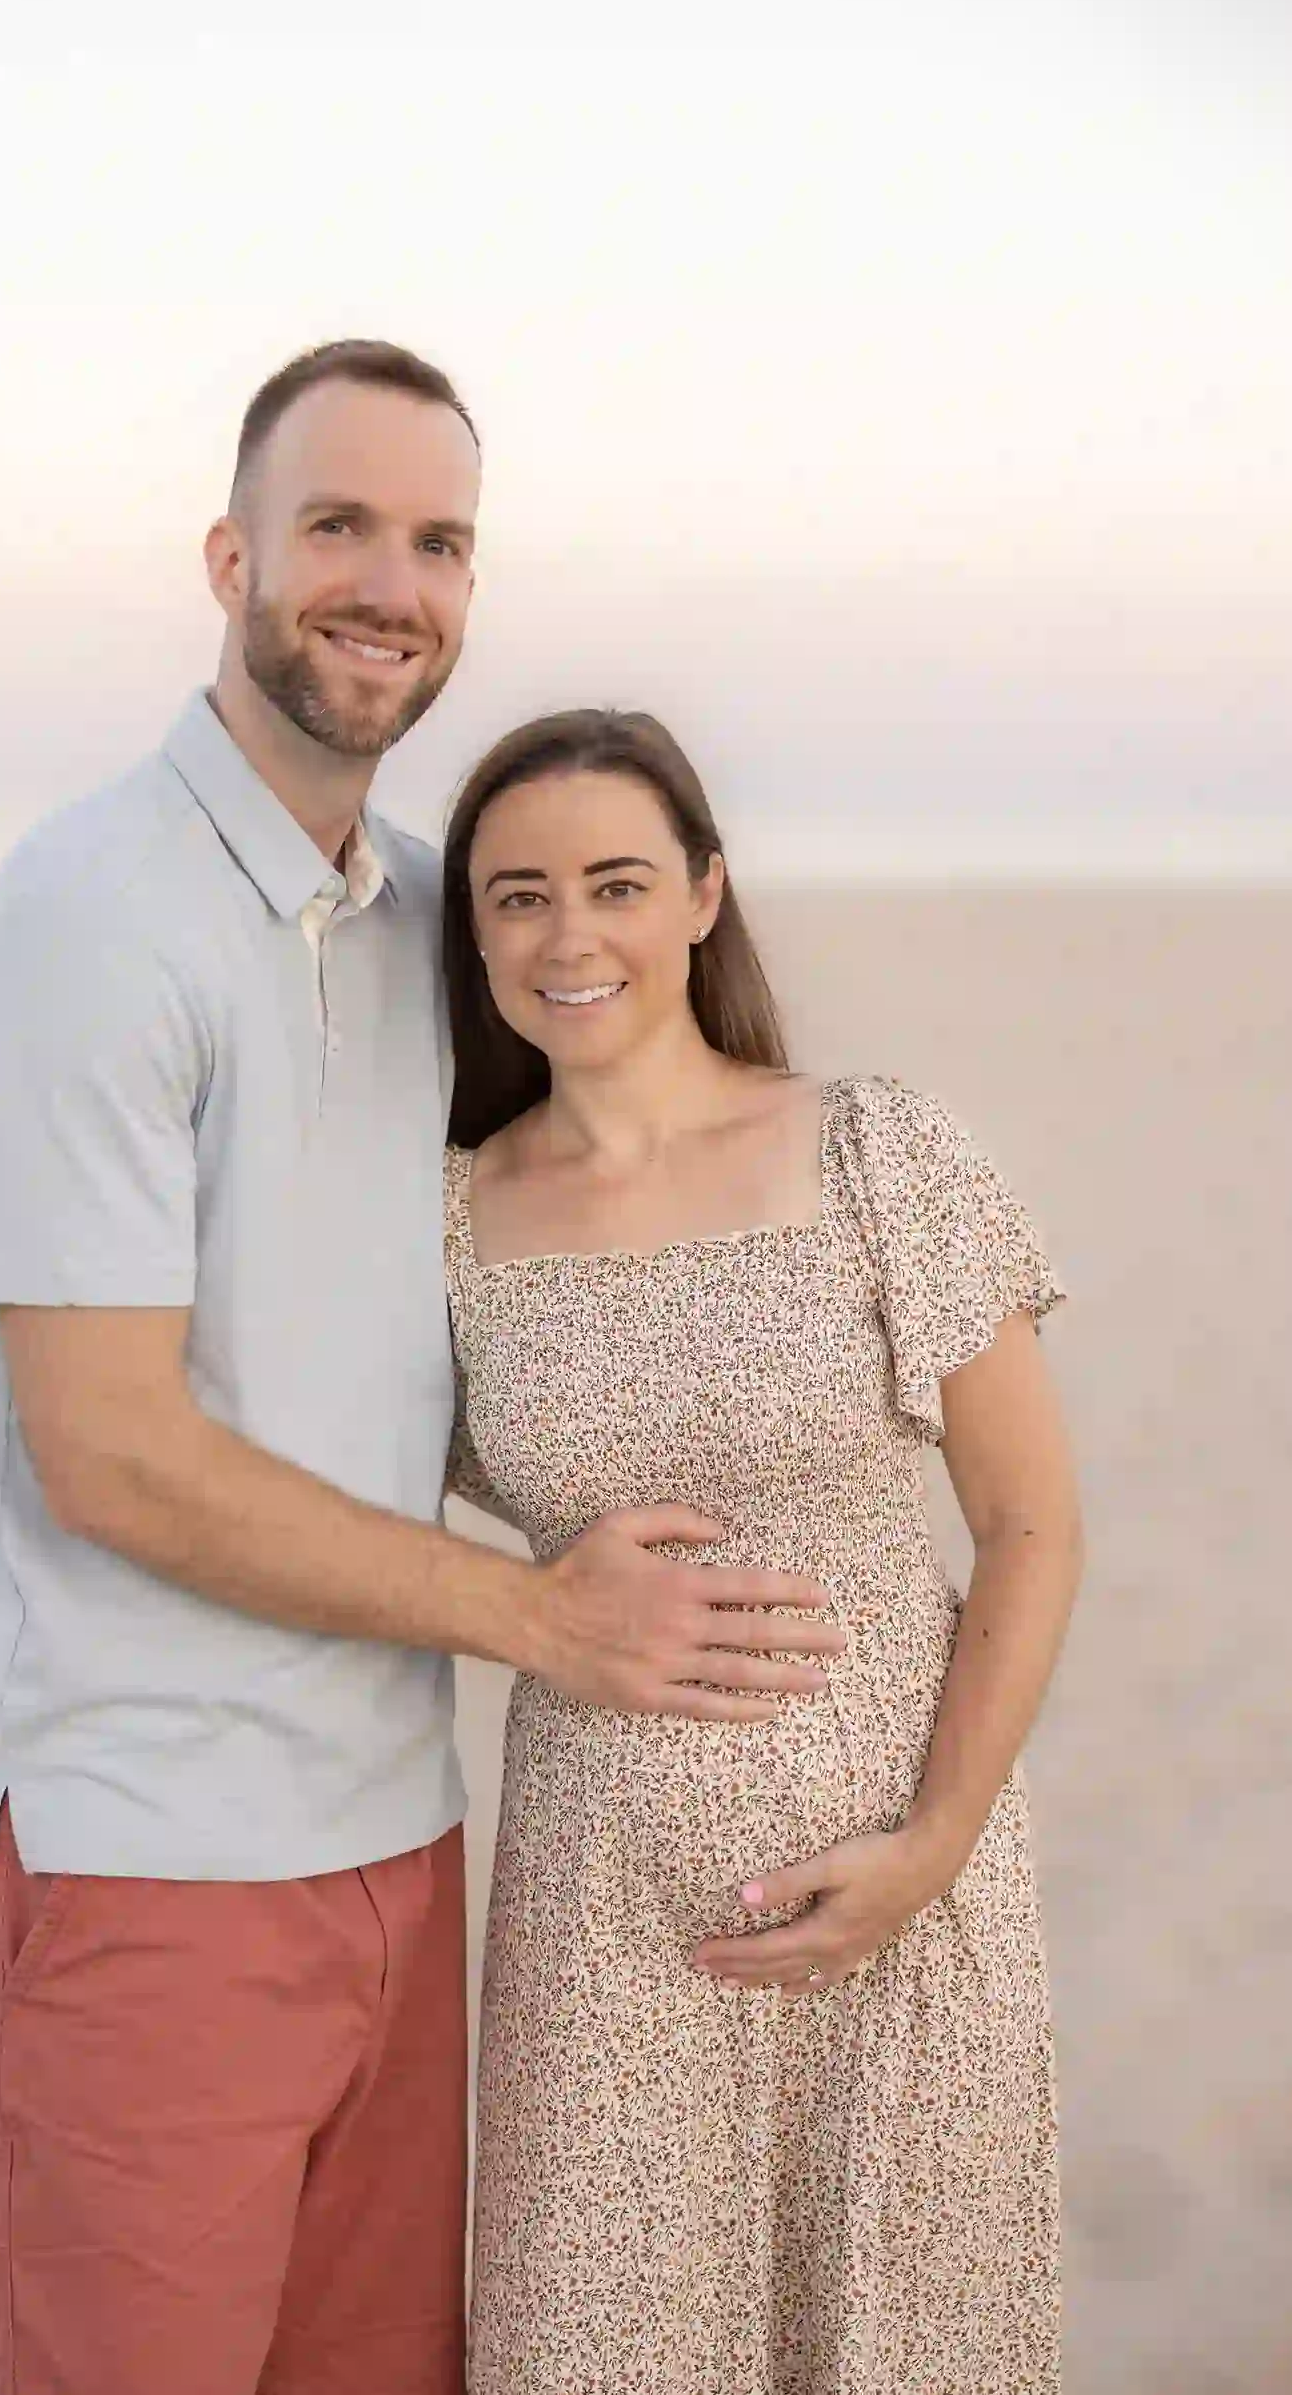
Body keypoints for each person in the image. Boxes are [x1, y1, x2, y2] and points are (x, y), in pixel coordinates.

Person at [0, 345, 845, 2395]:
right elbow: (111, 1452)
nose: (390, 583)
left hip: (399, 1847)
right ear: (231, 553)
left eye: (440, 541)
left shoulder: (445, 918)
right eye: (340, 523)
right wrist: (542, 1612)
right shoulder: (92, 919)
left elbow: (559, 1272)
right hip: (134, 1857)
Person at [440, 708, 1084, 2394]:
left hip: (900, 1898)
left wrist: (932, 1841)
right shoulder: (437, 1224)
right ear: (474, 935)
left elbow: (1029, 1524)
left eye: (615, 882)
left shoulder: (878, 1149)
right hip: (601, 1935)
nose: (568, 935)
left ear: (704, 894)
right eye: (516, 895)